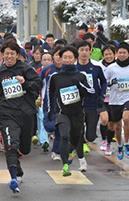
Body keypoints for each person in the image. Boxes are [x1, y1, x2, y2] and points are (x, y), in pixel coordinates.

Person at [0, 40, 43, 194]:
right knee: (11, 145)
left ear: (17, 55)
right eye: (7, 54)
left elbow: (38, 84)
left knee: (24, 149)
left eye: (12, 54)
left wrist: (25, 82)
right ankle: (14, 176)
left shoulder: (26, 69)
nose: (9, 56)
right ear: (2, 55)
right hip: (7, 113)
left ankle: (17, 166)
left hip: (26, 113)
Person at [47, 46, 95, 176]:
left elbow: (91, 92)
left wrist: (79, 85)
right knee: (64, 136)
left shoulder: (81, 75)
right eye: (65, 57)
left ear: (75, 59)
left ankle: (70, 154)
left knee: (75, 139)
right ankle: (65, 166)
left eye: (70, 57)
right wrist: (50, 112)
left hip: (78, 114)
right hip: (62, 113)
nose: (67, 60)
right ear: (60, 59)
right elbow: (50, 94)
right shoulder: (55, 77)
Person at [103, 43, 129, 160]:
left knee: (126, 118)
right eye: (120, 53)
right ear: (116, 54)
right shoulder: (111, 68)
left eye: (124, 53)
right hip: (114, 100)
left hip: (128, 97)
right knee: (117, 126)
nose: (122, 55)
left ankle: (127, 143)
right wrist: (111, 83)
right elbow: (105, 82)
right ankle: (119, 145)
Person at [74, 40, 107, 157]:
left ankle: (87, 140)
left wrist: (102, 95)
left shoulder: (96, 67)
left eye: (86, 50)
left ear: (90, 52)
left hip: (93, 103)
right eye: (81, 50)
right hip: (78, 104)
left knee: (91, 135)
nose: (84, 53)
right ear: (77, 51)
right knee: (79, 126)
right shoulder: (73, 68)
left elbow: (104, 82)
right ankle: (81, 143)